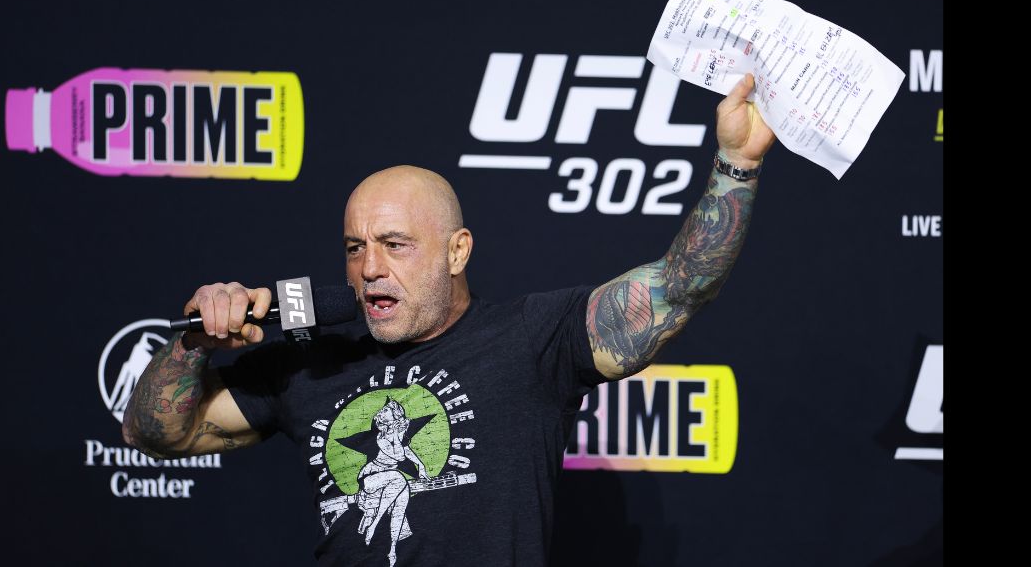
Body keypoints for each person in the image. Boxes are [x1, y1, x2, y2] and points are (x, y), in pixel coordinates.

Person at [122, 73, 776, 566]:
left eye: (396, 245)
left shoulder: (532, 341)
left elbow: (680, 287)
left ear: (456, 251)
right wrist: (193, 343)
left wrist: (736, 164)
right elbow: (156, 435)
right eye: (356, 248)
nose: (370, 267)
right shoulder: (310, 359)